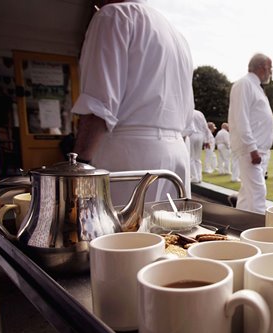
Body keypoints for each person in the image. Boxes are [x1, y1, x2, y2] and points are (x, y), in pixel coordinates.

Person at [72, 0, 194, 205]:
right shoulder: (177, 36)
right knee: (172, 233)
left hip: (129, 154)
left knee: (123, 235)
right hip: (177, 152)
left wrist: (78, 167)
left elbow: (98, 105)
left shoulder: (113, 16)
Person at [228, 53, 273, 213]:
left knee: (247, 197)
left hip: (258, 151)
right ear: (263, 67)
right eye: (270, 68)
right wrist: (252, 149)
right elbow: (241, 119)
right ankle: (259, 235)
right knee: (258, 194)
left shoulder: (256, 87)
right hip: (252, 151)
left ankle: (240, 229)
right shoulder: (244, 84)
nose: (271, 72)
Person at [186, 110, 209, 183]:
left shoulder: (187, 112)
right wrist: (206, 140)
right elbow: (205, 127)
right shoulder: (199, 113)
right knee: (197, 158)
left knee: (191, 157)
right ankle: (199, 177)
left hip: (191, 135)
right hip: (200, 135)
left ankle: (195, 177)